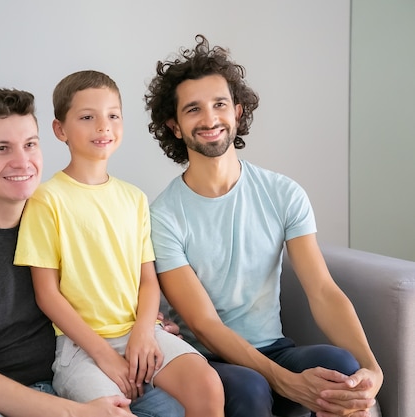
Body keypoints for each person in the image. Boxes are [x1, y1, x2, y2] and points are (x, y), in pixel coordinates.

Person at [144, 35, 383, 417]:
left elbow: (322, 291)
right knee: (252, 386)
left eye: (219, 104)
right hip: (209, 360)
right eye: (193, 109)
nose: (209, 119)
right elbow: (204, 325)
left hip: (275, 348)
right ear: (175, 126)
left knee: (341, 365)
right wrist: (284, 381)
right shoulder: (163, 216)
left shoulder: (282, 192)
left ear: (237, 112)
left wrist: (372, 367)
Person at [0, 88, 184, 417]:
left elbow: (113, 288)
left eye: (30, 144)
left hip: (65, 380)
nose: (22, 161)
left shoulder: (61, 212)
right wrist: (72, 412)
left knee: (180, 405)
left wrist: (145, 326)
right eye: (1, 148)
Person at [14, 70, 224, 417]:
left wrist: (144, 332)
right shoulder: (46, 200)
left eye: (113, 115)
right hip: (82, 347)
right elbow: (47, 295)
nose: (103, 126)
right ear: (60, 130)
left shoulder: (135, 198)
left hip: (142, 332)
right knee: (112, 412)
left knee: (207, 383)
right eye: (87, 117)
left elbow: (147, 280)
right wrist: (105, 355)